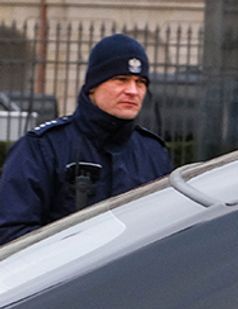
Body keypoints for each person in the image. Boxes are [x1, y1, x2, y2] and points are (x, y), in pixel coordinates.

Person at [0, 33, 173, 245]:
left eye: (140, 82)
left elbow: (168, 229)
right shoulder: (43, 148)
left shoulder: (153, 153)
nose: (132, 91)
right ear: (93, 86)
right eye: (121, 80)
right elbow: (12, 232)